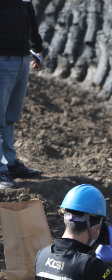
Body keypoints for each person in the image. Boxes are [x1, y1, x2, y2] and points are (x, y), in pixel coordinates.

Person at [0, 0, 45, 189]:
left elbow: (30, 18)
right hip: (2, 58)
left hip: (21, 58)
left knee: (11, 116)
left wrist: (37, 49)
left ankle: (9, 163)